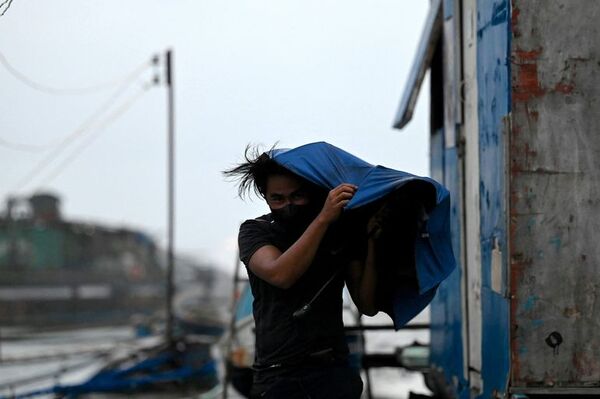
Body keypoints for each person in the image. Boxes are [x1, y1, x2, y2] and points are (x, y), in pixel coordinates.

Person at [224, 146, 379, 399]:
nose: (288, 206)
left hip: (333, 372)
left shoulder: (339, 232)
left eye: (297, 196)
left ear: (312, 191)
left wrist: (371, 242)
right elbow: (281, 274)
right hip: (280, 376)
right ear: (265, 197)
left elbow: (367, 304)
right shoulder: (256, 232)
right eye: (278, 199)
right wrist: (323, 219)